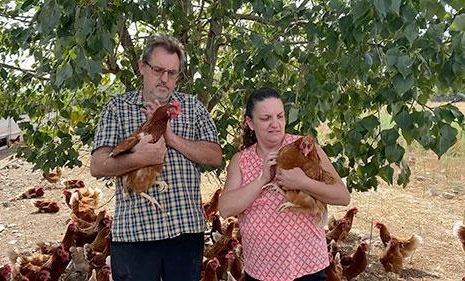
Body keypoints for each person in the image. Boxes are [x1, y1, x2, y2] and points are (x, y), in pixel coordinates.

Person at [90, 34, 222, 281]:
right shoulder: (117, 108)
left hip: (185, 233)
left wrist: (172, 139)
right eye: (158, 69)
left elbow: (215, 156)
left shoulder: (191, 107)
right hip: (135, 236)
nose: (165, 79)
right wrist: (140, 158)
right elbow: (97, 165)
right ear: (142, 66)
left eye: (172, 73)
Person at [218, 87, 350, 281]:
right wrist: (262, 179)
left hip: (308, 265)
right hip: (262, 269)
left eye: (280, 116)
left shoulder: (304, 147)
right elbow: (225, 208)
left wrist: (302, 182)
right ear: (250, 123)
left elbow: (343, 196)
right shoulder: (241, 160)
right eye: (266, 118)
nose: (275, 124)